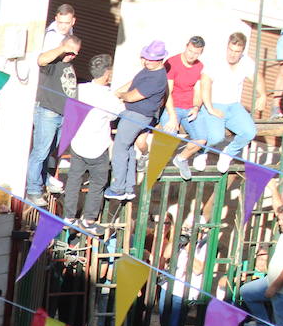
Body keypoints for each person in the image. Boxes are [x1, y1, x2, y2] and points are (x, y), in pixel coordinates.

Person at [104, 40, 170, 202]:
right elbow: (133, 82)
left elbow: (133, 95)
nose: (146, 61)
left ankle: (118, 187)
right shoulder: (149, 71)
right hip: (137, 114)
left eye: (150, 59)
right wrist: (119, 91)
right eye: (145, 57)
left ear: (160, 60)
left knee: (120, 147)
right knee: (129, 149)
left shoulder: (157, 78)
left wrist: (121, 96)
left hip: (137, 115)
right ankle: (128, 187)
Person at [63, 54, 122, 233]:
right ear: (107, 74)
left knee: (73, 180)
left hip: (78, 142)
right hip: (99, 146)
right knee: (97, 183)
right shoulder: (109, 97)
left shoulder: (79, 89)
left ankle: (68, 217)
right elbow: (115, 115)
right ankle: (89, 220)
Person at [27, 3, 79, 201]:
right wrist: (62, 48)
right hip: (47, 106)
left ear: (73, 21)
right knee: (40, 150)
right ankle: (33, 189)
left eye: (67, 23)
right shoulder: (52, 36)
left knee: (50, 150)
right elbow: (42, 60)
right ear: (55, 19)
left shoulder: (69, 32)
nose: (63, 27)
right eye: (60, 22)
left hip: (60, 107)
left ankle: (45, 179)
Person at [198, 32, 262, 175]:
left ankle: (228, 153)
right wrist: (210, 108)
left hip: (233, 105)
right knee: (216, 136)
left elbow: (257, 78)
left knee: (249, 132)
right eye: (230, 50)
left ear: (242, 51)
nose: (232, 54)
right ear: (227, 47)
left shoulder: (246, 62)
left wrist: (262, 95)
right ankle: (201, 152)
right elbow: (205, 84)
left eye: (237, 52)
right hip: (214, 102)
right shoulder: (216, 61)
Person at [165, 36, 207, 181]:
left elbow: (198, 90)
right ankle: (156, 164)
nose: (191, 55)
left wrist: (196, 107)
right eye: (190, 51)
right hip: (172, 105)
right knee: (168, 133)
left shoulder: (200, 66)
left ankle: (182, 159)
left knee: (201, 139)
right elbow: (167, 92)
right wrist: (172, 116)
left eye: (196, 53)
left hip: (189, 107)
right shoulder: (172, 62)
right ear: (186, 46)